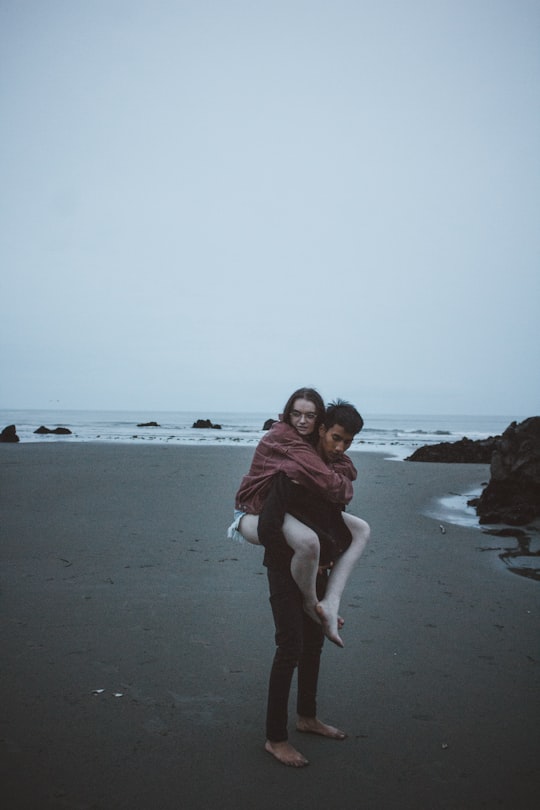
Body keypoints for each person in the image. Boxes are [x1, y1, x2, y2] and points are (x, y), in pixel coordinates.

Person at [230, 393, 370, 767]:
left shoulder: (327, 462)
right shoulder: (291, 463)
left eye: (346, 442)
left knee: (313, 645)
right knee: (289, 647)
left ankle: (307, 717)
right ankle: (275, 739)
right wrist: (293, 568)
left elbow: (330, 517)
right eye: (298, 414)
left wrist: (323, 563)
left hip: (314, 566)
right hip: (283, 564)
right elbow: (273, 527)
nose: (339, 446)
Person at [230, 389, 368, 647]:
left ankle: (332, 601)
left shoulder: (312, 444)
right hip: (252, 512)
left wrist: (337, 475)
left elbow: (343, 469)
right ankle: (311, 602)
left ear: (319, 421)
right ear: (288, 414)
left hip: (285, 511)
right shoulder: (285, 438)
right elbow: (332, 484)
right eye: (296, 414)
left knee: (361, 530)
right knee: (308, 542)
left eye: (310, 415)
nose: (302, 421)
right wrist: (339, 481)